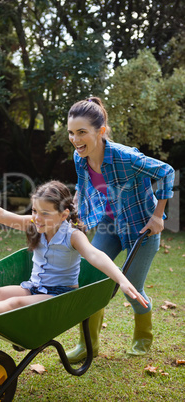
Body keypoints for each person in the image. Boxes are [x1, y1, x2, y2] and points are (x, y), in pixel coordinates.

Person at [0, 181, 148, 323]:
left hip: (57, 296)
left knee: (14, 304)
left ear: (64, 214)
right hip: (34, 287)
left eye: (45, 213)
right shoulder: (35, 224)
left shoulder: (73, 235)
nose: (37, 218)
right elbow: (1, 214)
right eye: (35, 211)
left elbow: (95, 255)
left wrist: (121, 279)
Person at [66, 97, 175, 361]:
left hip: (142, 228)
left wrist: (159, 216)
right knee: (90, 279)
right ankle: (88, 345)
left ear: (100, 131)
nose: (75, 139)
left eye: (82, 132)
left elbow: (166, 172)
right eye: (71, 133)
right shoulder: (79, 157)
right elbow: (83, 187)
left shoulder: (125, 157)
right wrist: (76, 215)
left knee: (133, 287)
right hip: (109, 225)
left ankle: (143, 338)